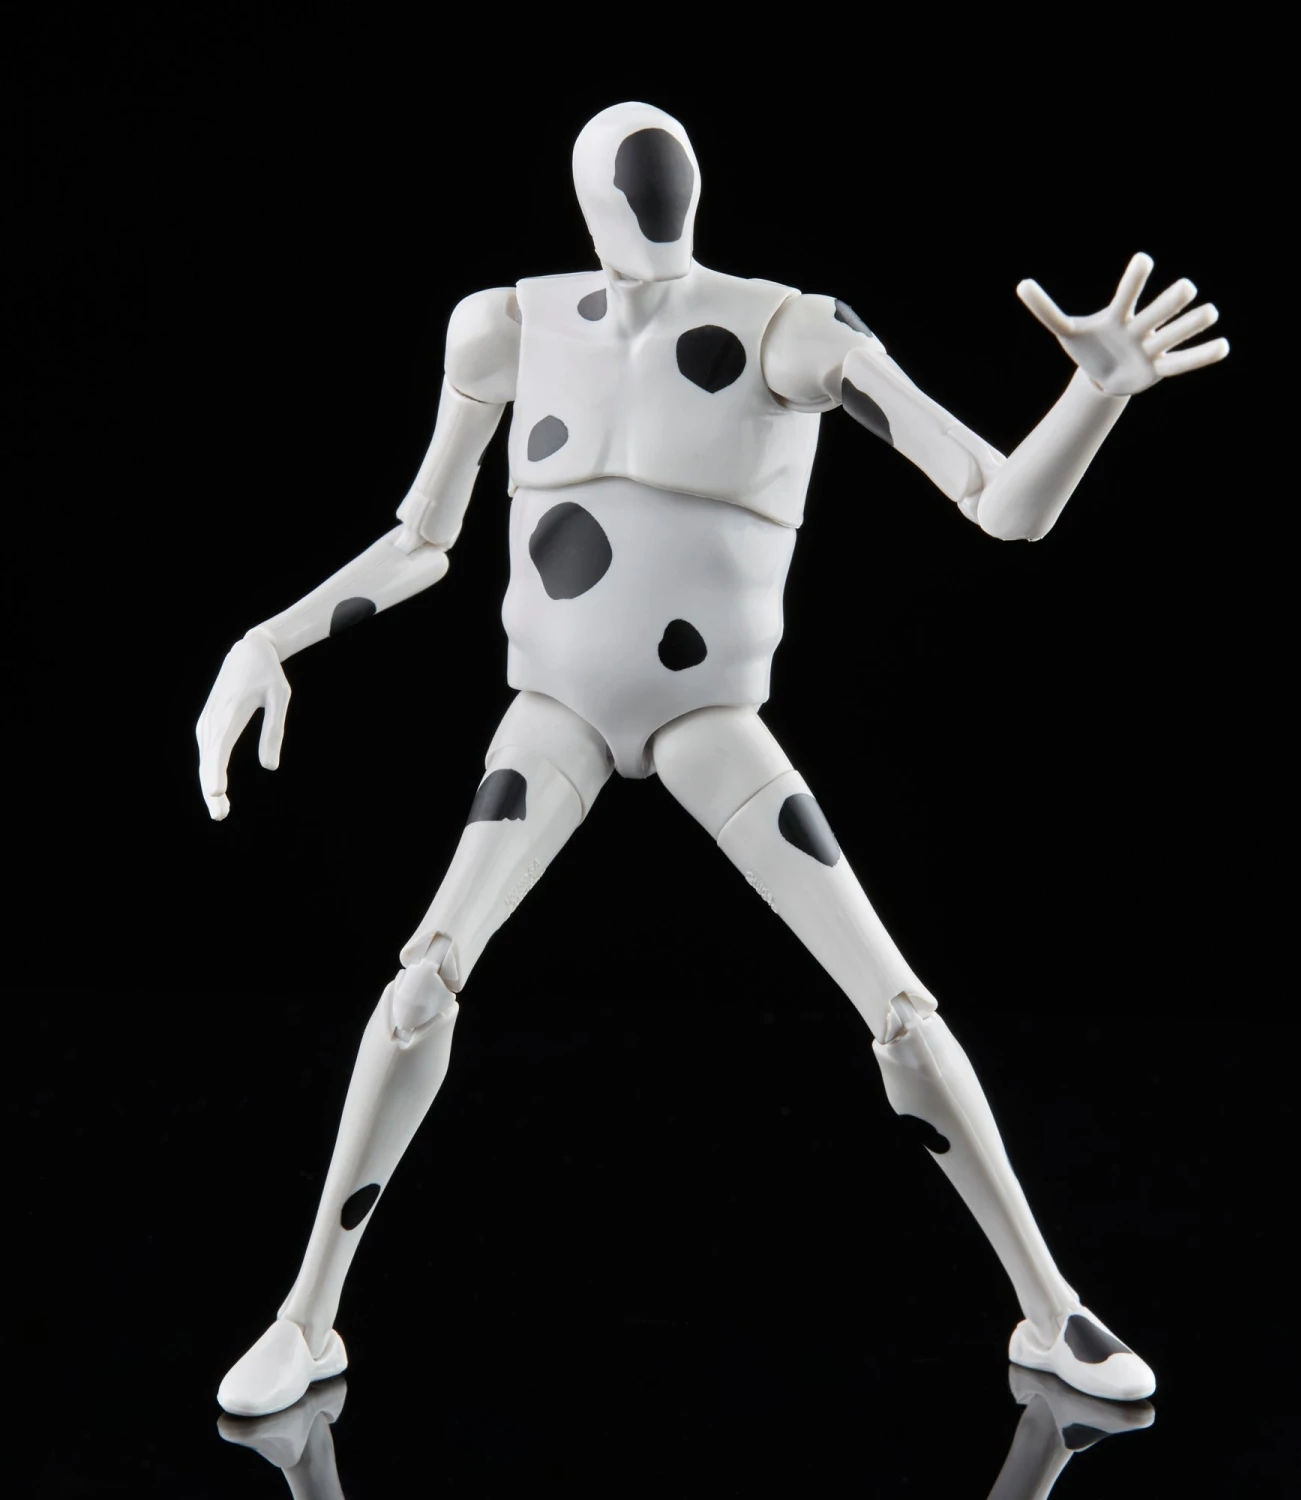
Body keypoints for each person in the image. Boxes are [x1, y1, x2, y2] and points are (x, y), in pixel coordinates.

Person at [200, 100, 1227, 1418]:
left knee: (900, 1010)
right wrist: (269, 638)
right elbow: (424, 540)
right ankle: (306, 1319)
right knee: (419, 987)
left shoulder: (790, 332)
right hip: (555, 712)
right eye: (629, 182)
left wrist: (1094, 397)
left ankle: (1050, 1306)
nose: (644, 202)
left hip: (709, 720)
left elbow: (1000, 503)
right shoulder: (507, 328)